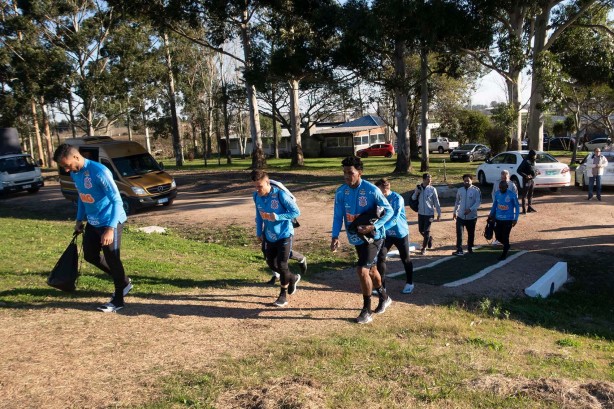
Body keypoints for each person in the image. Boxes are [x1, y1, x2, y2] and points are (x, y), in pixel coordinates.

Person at [53, 144, 132, 313]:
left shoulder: (99, 171)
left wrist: (110, 228)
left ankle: (118, 300)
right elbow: (82, 197)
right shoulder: (75, 173)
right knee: (90, 255)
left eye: (67, 165)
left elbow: (117, 201)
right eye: (63, 167)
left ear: (75, 157)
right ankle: (124, 282)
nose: (67, 170)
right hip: (93, 222)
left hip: (111, 221)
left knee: (113, 259)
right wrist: (79, 219)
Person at [331, 156, 393, 324]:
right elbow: (337, 216)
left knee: (362, 270)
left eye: (350, 173)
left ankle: (366, 310)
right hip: (357, 237)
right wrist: (335, 235)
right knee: (372, 271)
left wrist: (374, 226)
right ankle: (384, 297)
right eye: (344, 173)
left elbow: (389, 211)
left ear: (360, 172)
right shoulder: (341, 191)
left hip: (374, 237)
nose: (346, 176)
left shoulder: (371, 190)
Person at [251, 170, 301, 307]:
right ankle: (293, 277)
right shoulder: (256, 196)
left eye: (260, 186)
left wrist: (278, 217)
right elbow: (259, 215)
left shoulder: (280, 195)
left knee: (282, 264)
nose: (258, 189)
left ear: (267, 183)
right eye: (255, 186)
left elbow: (296, 212)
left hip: (284, 234)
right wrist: (259, 232)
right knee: (272, 265)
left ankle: (282, 296)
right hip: (268, 235)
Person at [375, 178, 415, 294]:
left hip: (400, 233)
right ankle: (382, 287)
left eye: (378, 189)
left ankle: (409, 283)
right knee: (381, 257)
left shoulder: (398, 198)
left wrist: (379, 228)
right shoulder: (378, 199)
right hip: (386, 234)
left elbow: (394, 219)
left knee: (405, 258)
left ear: (385, 188)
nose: (376, 192)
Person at [265, 178, 307, 284]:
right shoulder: (258, 189)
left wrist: (279, 214)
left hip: (282, 225)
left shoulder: (275, 185)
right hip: (268, 225)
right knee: (267, 252)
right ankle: (277, 275)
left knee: (281, 252)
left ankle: (300, 258)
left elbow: (292, 199)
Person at [489, 180, 520, 260]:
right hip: (498, 218)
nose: (501, 189)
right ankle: (507, 245)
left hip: (508, 219)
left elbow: (517, 207)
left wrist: (515, 218)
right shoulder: (497, 194)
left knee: (505, 236)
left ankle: (504, 254)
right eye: (500, 188)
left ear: (507, 187)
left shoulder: (512, 195)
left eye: (503, 187)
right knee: (498, 236)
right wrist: (491, 214)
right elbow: (495, 205)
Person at [411, 173, 441, 255]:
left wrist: (439, 213)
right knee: (421, 230)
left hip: (429, 214)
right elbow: (413, 198)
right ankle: (429, 239)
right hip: (421, 213)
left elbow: (436, 202)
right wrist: (417, 192)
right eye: (428, 179)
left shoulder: (432, 189)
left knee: (426, 231)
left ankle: (423, 248)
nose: (430, 180)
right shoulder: (418, 188)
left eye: (430, 179)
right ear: (423, 180)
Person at [452, 174, 481, 255]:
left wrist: (470, 209)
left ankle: (470, 247)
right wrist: (455, 212)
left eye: (468, 180)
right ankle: (459, 249)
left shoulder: (476, 190)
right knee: (459, 233)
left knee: (471, 233)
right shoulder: (460, 190)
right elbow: (457, 201)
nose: (466, 182)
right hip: (460, 216)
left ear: (472, 180)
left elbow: (478, 202)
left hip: (471, 217)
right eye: (465, 180)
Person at [491, 170, 517, 246]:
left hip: (508, 209)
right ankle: (498, 239)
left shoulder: (512, 185)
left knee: (506, 226)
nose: (504, 179)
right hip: (498, 208)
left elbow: (515, 196)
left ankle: (505, 241)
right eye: (502, 177)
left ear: (508, 176)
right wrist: (496, 203)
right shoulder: (496, 183)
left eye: (505, 177)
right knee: (496, 225)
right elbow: (493, 193)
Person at [517, 149, 538, 213]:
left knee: (530, 194)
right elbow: (519, 170)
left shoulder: (533, 161)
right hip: (526, 180)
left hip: (532, 180)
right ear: (531, 155)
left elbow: (533, 169)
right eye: (534, 155)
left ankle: (529, 207)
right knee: (524, 195)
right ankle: (524, 209)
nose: (535, 156)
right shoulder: (525, 161)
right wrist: (525, 176)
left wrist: (536, 172)